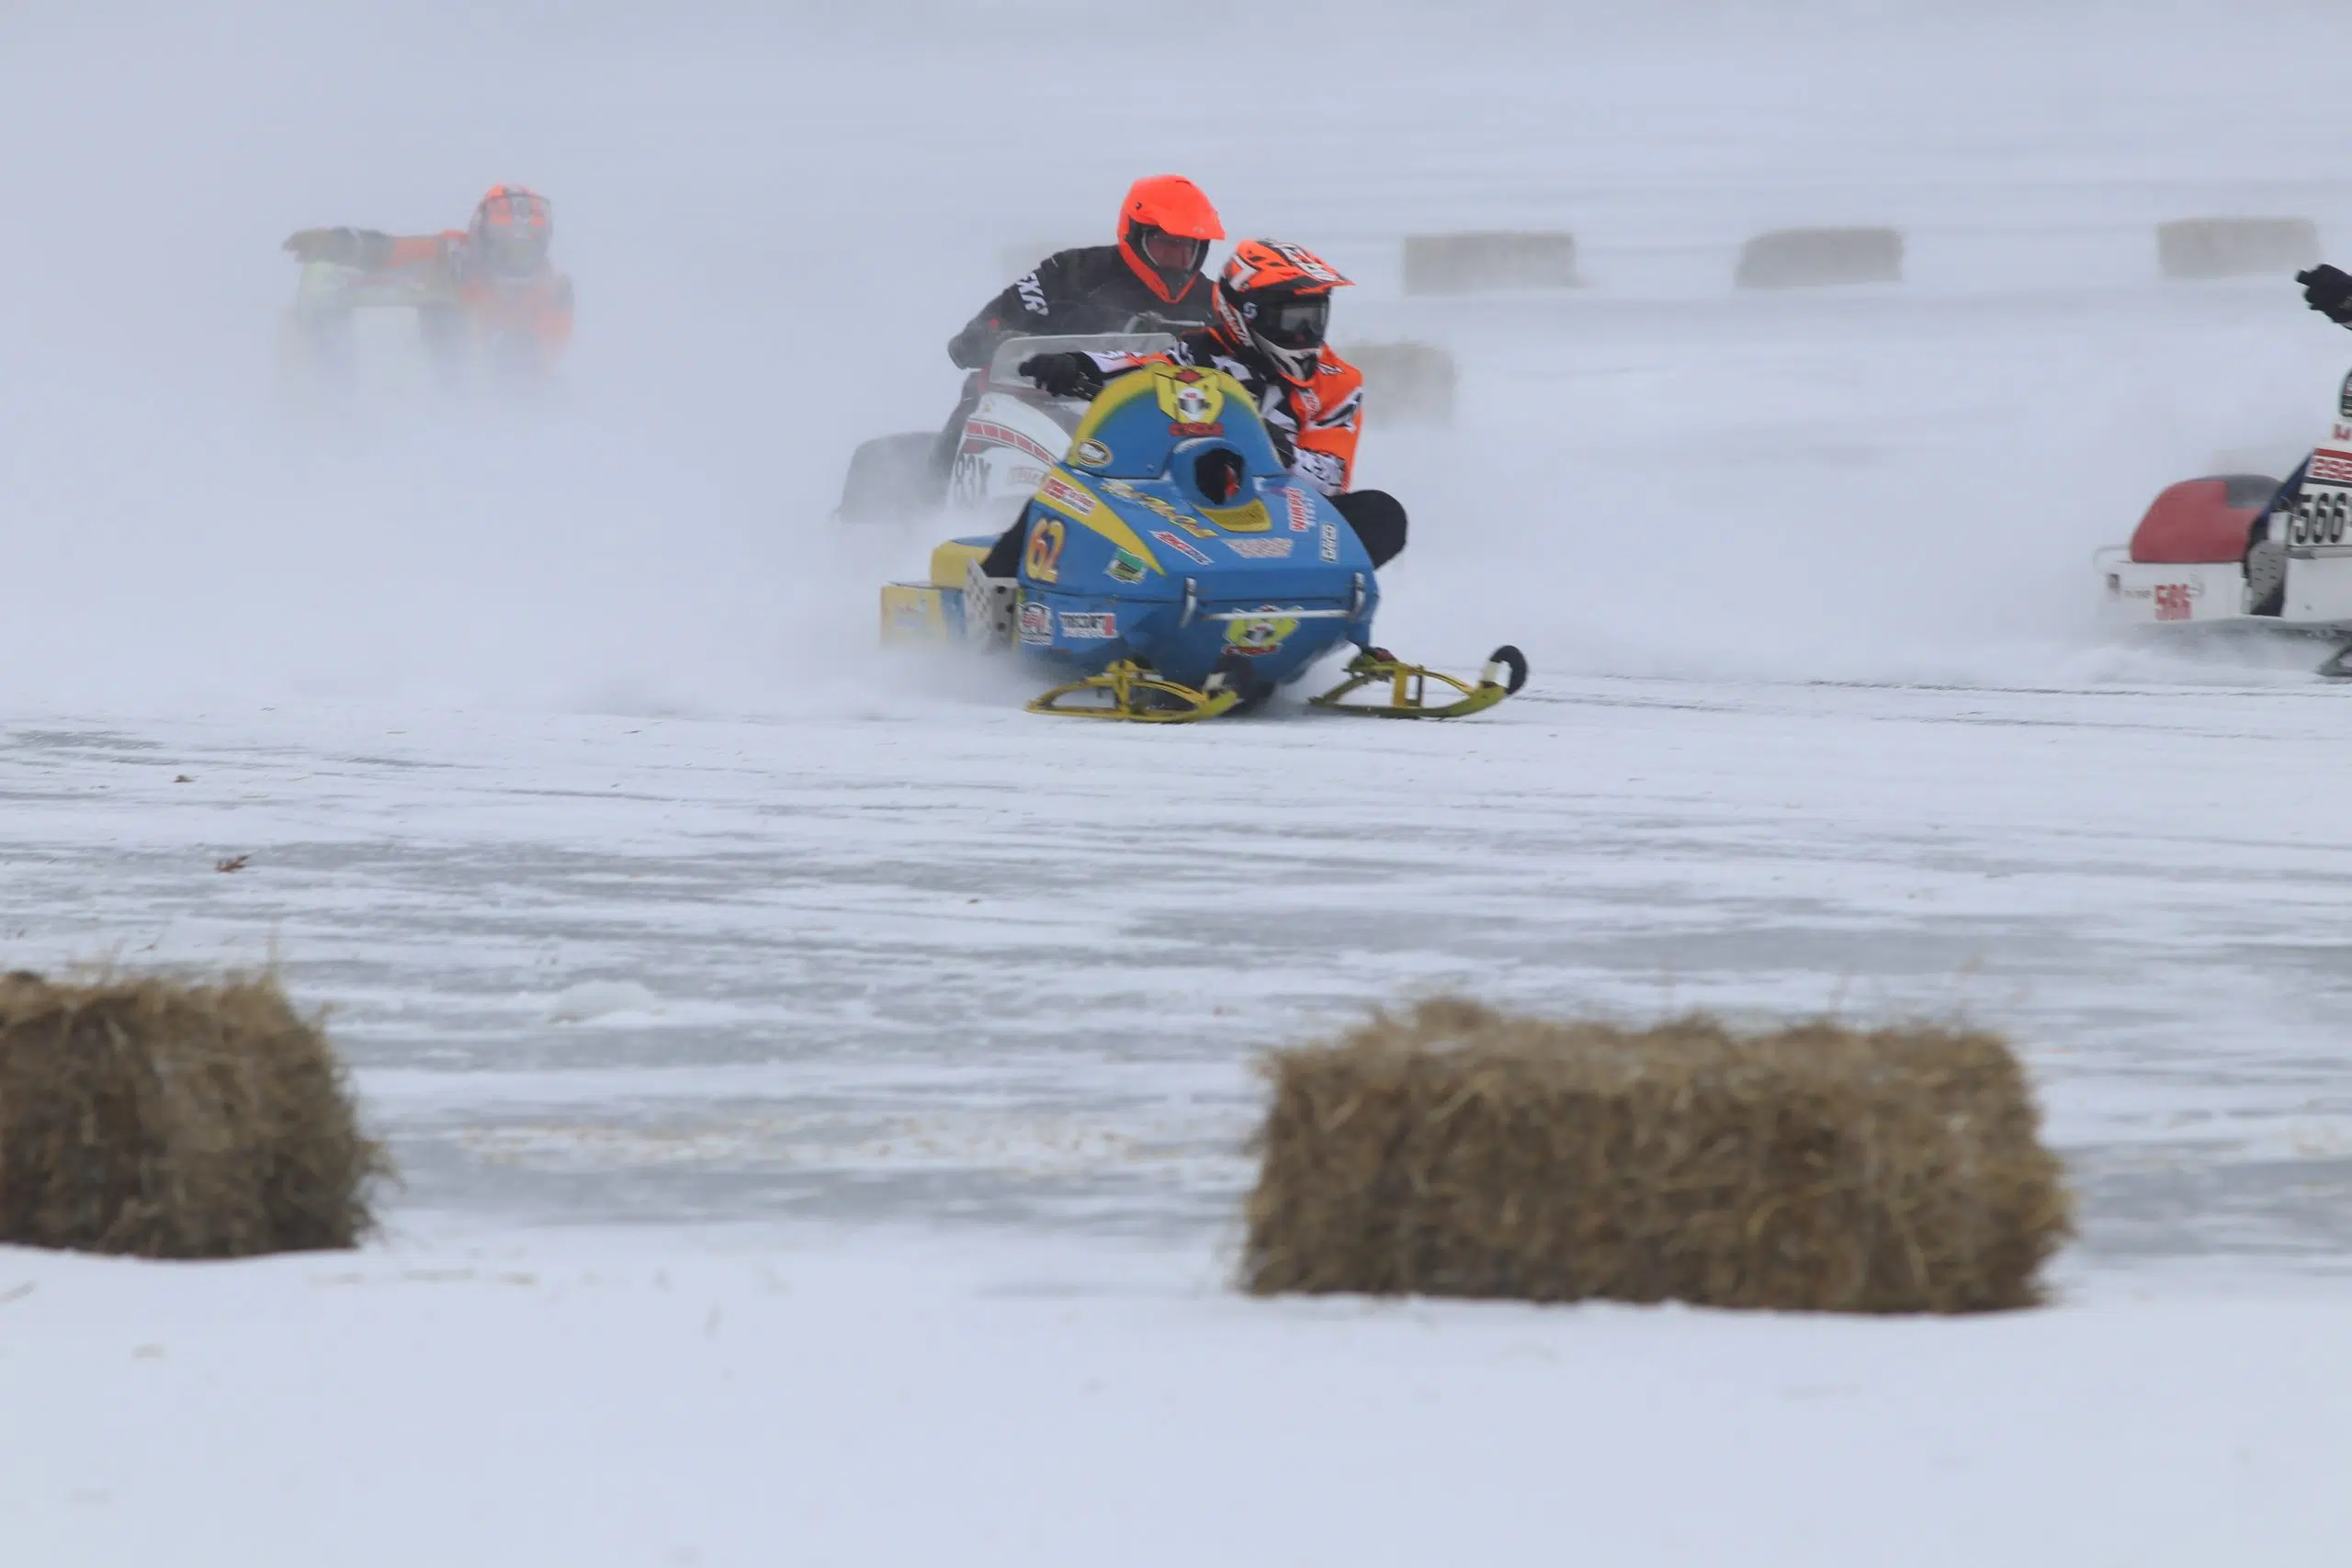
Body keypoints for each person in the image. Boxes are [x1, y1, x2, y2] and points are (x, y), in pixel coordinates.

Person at [963, 239, 1404, 640]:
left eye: (1315, 318)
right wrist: (1076, 365)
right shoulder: (1194, 355)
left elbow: (1331, 479)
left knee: (1382, 513)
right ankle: (997, 606)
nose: (1307, 335)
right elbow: (1132, 363)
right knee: (1064, 491)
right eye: (1294, 320)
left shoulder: (1339, 382)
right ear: (1245, 313)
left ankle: (1315, 614)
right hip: (1185, 515)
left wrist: (1278, 451)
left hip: (1283, 524)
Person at [946, 175, 1226, 371]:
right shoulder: (1071, 272)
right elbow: (972, 340)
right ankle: (942, 457)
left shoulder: (1216, 302)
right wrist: (1009, 343)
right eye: (1165, 245)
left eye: (1187, 249)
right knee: (981, 387)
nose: (1175, 260)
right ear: (1135, 235)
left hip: (1160, 420)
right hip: (1059, 405)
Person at [283, 185, 573, 373]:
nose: (515, 258)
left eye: (525, 248)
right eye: (506, 246)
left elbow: (544, 356)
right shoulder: (453, 253)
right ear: (482, 238)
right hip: (410, 373)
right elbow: (390, 251)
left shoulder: (553, 291)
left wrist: (511, 355)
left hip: (485, 397)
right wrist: (338, 244)